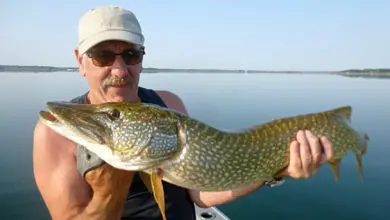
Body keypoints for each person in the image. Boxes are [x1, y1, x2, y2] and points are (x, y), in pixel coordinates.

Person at [32, 5, 334, 220]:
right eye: (102, 56)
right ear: (80, 60)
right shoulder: (53, 134)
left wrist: (275, 170)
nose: (120, 70)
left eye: (131, 54)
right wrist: (112, 188)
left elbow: (198, 193)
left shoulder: (169, 106)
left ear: (142, 57)